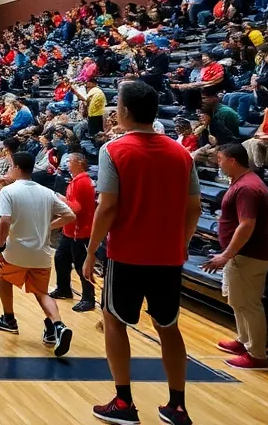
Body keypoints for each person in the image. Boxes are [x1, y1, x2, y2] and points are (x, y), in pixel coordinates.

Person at [82, 80, 201, 425]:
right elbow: (194, 206)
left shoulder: (114, 150)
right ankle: (177, 406)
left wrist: (91, 251)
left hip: (128, 254)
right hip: (168, 257)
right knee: (169, 327)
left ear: (125, 112)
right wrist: (182, 241)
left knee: (115, 323)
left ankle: (123, 403)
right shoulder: (181, 152)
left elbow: (107, 207)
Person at [0, 152, 76, 356]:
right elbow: (70, 215)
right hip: (41, 253)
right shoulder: (46, 192)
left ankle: (8, 318)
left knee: (4, 278)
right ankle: (58, 326)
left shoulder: (9, 192)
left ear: (17, 168)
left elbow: (4, 222)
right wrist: (48, 226)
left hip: (16, 250)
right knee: (42, 293)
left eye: (10, 166)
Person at [200, 143, 268, 370]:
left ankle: (257, 355)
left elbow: (247, 224)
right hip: (243, 254)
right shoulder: (243, 182)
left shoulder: (248, 188)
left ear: (232, 161)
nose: (218, 163)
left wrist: (226, 254)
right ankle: (244, 341)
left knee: (249, 304)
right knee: (237, 300)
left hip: (249, 255)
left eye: (220, 159)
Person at [51, 150, 97, 312]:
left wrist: (60, 201)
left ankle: (89, 299)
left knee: (81, 265)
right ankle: (64, 289)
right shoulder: (78, 180)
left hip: (80, 232)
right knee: (61, 258)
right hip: (70, 231)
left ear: (78, 163)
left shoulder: (82, 182)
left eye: (69, 161)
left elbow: (76, 208)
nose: (66, 163)